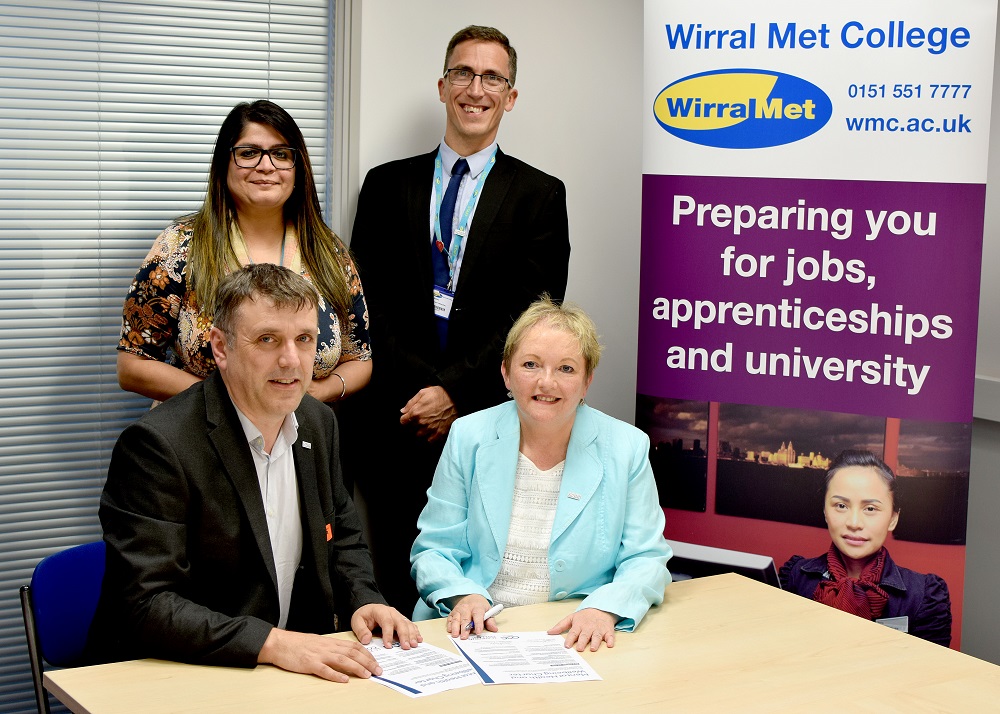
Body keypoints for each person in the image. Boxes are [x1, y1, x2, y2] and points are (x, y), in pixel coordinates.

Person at [90, 264, 421, 681]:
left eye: (304, 339)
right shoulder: (157, 447)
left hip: (282, 674)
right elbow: (146, 604)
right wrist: (275, 644)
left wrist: (363, 599)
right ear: (221, 348)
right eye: (268, 339)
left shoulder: (319, 423)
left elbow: (342, 538)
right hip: (175, 673)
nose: (291, 359)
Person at [341, 25, 571, 612]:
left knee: (479, 582)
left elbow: (531, 316)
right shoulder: (386, 184)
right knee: (393, 579)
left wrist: (452, 392)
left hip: (487, 419)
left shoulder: (539, 195)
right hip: (395, 417)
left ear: (510, 96)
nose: (477, 88)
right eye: (464, 74)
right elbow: (365, 301)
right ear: (443, 86)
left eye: (492, 76)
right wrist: (420, 389)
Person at [409, 297, 672, 652]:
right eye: (530, 364)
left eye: (566, 369)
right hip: (472, 631)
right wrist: (462, 595)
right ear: (505, 372)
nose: (546, 383)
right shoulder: (468, 436)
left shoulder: (627, 447)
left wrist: (605, 608)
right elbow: (434, 549)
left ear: (587, 381)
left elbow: (646, 558)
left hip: (573, 636)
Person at [118, 99, 370, 405]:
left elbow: (359, 359)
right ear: (224, 163)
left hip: (298, 440)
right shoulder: (181, 246)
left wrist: (317, 393)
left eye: (280, 154)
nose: (266, 166)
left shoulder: (327, 251)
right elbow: (133, 366)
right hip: (202, 436)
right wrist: (229, 402)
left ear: (298, 166)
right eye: (248, 153)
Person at [779, 450, 952, 646]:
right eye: (841, 506)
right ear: (825, 512)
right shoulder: (796, 577)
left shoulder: (923, 596)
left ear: (893, 518)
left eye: (870, 509)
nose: (854, 523)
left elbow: (930, 672)